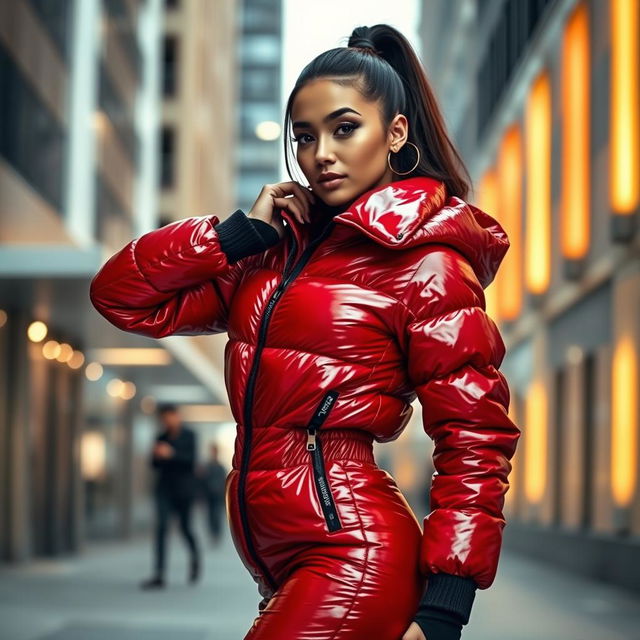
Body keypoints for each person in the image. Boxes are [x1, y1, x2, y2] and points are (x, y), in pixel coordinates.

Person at [90, 23, 520, 640]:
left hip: (352, 556)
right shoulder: (272, 255)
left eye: (345, 128)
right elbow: (121, 297)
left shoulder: (426, 265)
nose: (322, 153)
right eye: (306, 136)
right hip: (279, 564)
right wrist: (234, 235)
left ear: (395, 132)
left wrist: (447, 602)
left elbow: (475, 432)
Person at [140, 403, 201, 589]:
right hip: (164, 490)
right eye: (163, 418)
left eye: (169, 416)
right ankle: (159, 573)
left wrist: (171, 454)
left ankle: (195, 561)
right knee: (161, 529)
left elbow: (191, 461)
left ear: (177, 416)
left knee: (185, 528)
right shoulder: (161, 437)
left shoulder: (189, 436)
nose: (167, 421)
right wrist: (157, 455)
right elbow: (154, 465)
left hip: (184, 490)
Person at [199, 442, 228, 546]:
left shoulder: (220, 467)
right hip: (209, 495)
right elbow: (202, 481)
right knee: (210, 515)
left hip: (218, 495)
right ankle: (213, 533)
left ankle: (216, 533)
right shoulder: (207, 466)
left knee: (217, 515)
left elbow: (224, 481)